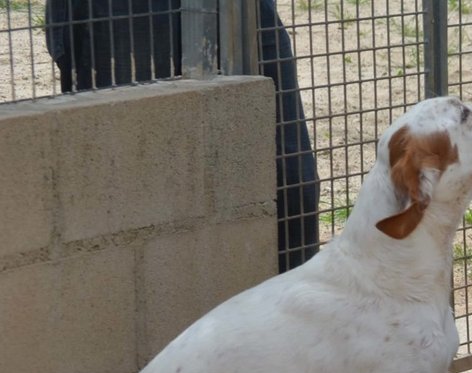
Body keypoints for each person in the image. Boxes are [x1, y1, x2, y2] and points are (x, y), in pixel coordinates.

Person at [44, 0, 321, 272]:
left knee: (291, 178)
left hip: (238, 6)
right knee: (133, 184)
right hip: (120, 11)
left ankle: (294, 301)